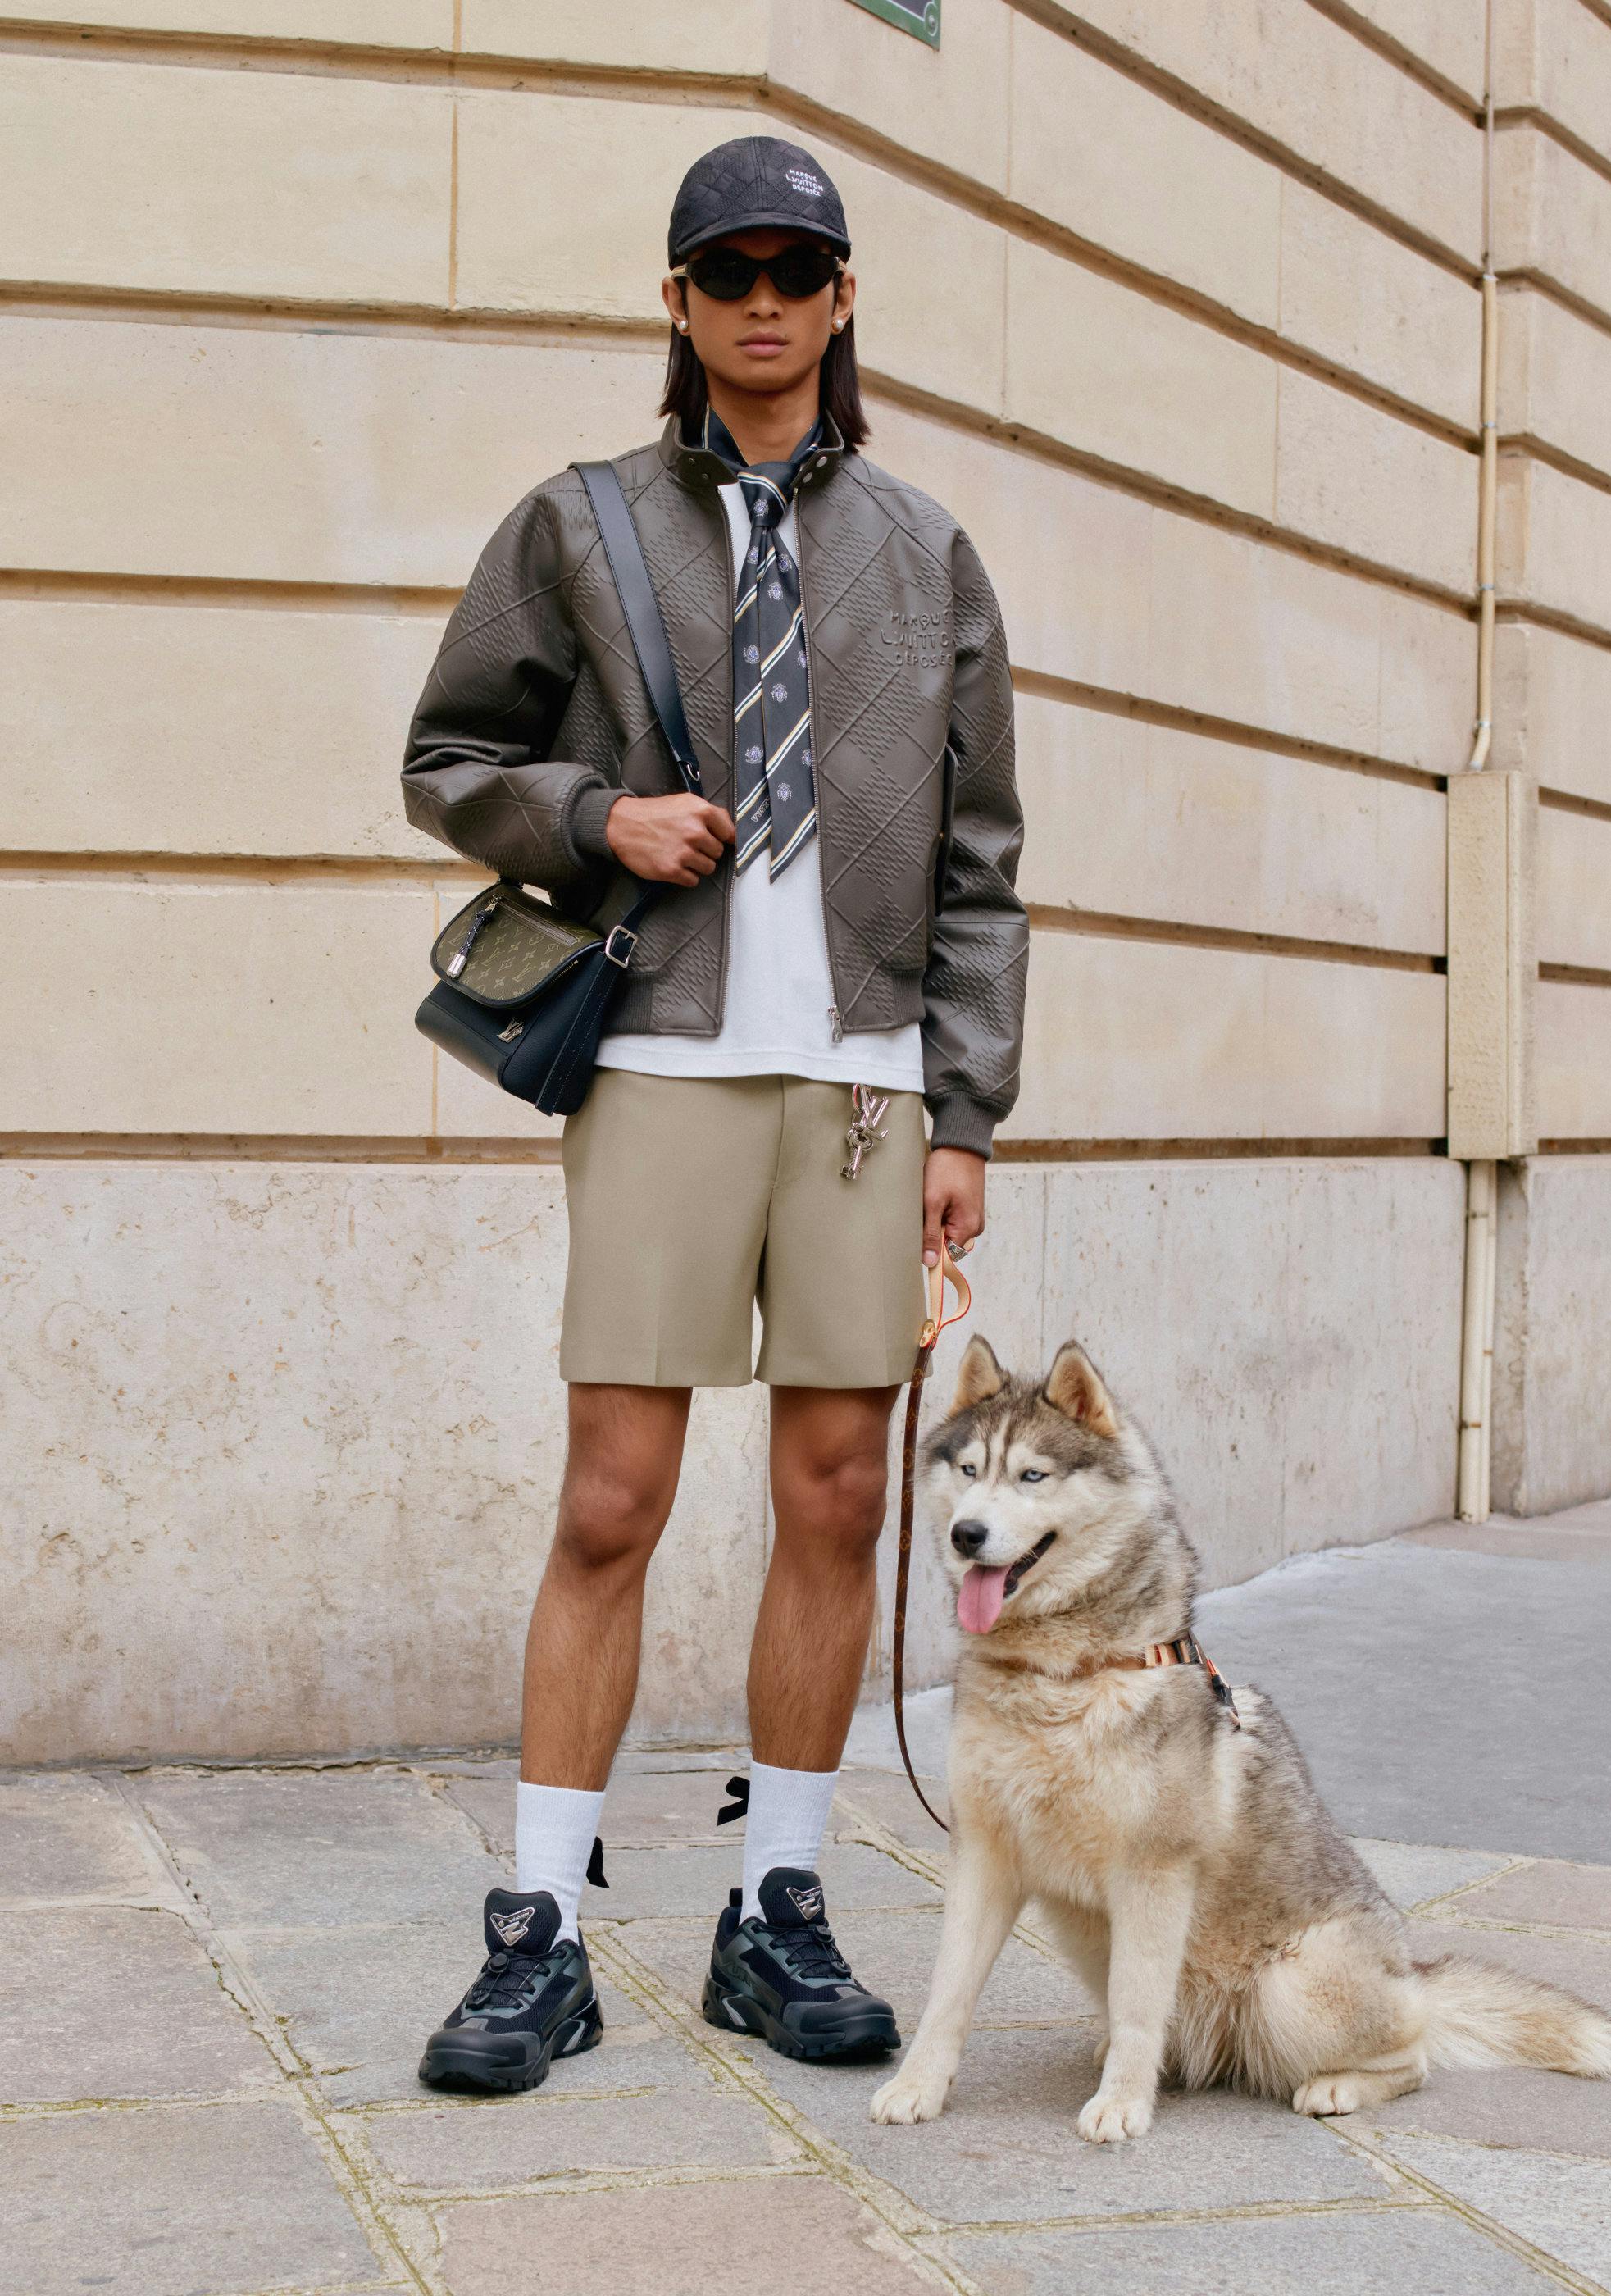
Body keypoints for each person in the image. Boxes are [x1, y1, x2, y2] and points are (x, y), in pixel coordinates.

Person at [403, 135, 1027, 2090]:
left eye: (797, 269)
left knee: (837, 1493)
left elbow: (983, 861)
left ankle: (776, 1906)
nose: (765, 300)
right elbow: (449, 753)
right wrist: (599, 814)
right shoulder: (578, 523)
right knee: (613, 1495)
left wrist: (962, 1108)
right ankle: (538, 1927)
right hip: (660, 1060)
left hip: (861, 1084)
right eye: (727, 270)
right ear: (676, 301)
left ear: (842, 300)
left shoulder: (927, 552)